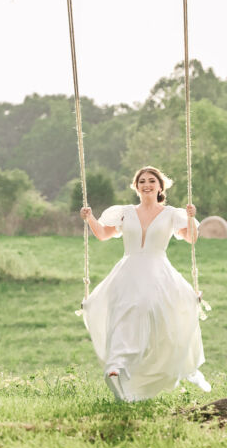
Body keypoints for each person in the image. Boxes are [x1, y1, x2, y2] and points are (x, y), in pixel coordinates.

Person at [79, 166, 210, 401]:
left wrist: (190, 219)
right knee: (124, 312)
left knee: (150, 312)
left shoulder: (172, 213)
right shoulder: (124, 212)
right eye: (142, 181)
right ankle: (117, 367)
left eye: (151, 181)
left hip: (158, 270)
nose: (146, 185)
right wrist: (89, 219)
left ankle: (146, 370)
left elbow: (191, 239)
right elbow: (103, 235)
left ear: (160, 187)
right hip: (128, 270)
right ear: (136, 187)